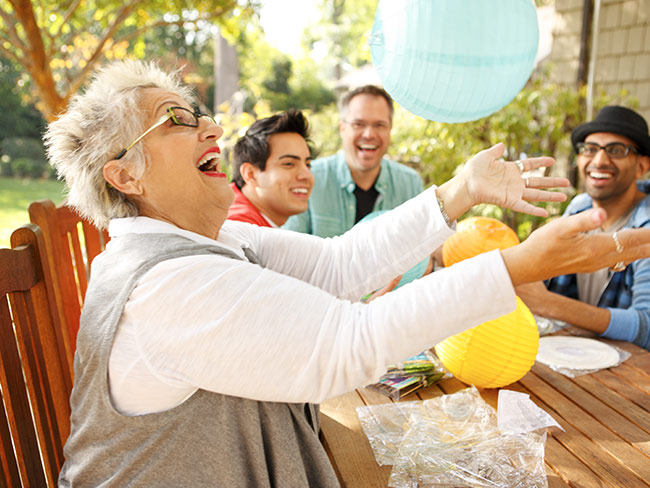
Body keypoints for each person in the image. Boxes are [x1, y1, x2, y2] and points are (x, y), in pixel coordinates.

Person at [46, 60, 650, 486]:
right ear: (124, 175)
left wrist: (463, 190)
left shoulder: (211, 237)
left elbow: (340, 263)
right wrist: (521, 265)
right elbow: (345, 344)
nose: (213, 128)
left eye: (199, 113)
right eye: (177, 120)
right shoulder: (164, 286)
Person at [517, 106, 650, 350]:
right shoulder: (580, 208)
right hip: (569, 361)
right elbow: (542, 272)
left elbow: (647, 327)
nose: (599, 160)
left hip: (631, 378)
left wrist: (547, 303)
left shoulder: (646, 227)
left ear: (642, 166)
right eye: (590, 149)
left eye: (616, 150)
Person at [283, 85, 423, 237]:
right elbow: (291, 251)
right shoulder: (308, 179)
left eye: (379, 125)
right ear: (342, 128)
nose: (369, 134)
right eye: (358, 124)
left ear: (390, 129)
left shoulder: (410, 185)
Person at [228, 109, 314, 227]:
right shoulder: (238, 227)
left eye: (308, 164)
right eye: (289, 164)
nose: (307, 176)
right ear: (251, 174)